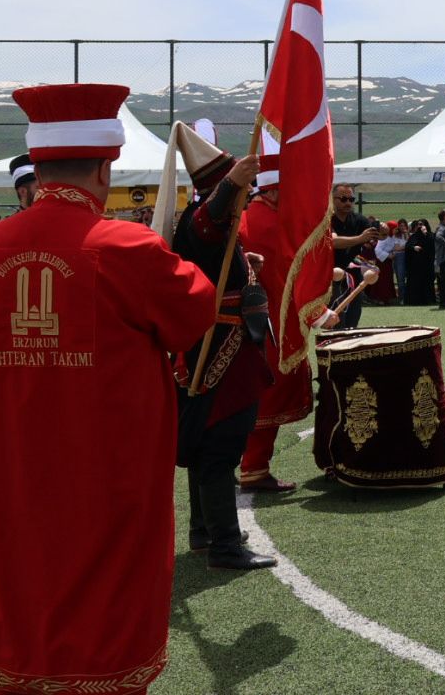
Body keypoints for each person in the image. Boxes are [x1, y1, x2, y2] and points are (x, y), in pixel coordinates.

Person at [0, 84, 218, 694]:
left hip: (14, 463)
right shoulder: (127, 248)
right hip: (108, 470)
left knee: (19, 577)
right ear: (106, 166)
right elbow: (196, 311)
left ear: (35, 167)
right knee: (110, 593)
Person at [165, 124, 276, 571]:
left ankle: (204, 529)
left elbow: (213, 257)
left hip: (225, 349)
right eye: (240, 188)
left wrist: (245, 265)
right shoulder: (202, 219)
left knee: (209, 444)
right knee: (220, 449)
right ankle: (226, 545)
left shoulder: (222, 228)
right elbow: (207, 225)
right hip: (219, 353)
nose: (248, 193)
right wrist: (231, 180)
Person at [236, 145, 312, 494]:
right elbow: (282, 277)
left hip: (257, 320)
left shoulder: (255, 214)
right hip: (267, 323)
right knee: (269, 393)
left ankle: (253, 464)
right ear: (275, 189)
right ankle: (253, 467)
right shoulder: (265, 222)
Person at [327, 184, 380, 328]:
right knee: (337, 320)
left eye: (351, 199)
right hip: (332, 275)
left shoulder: (359, 220)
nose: (348, 203)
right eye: (343, 199)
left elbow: (374, 237)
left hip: (354, 275)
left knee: (353, 318)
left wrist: (375, 236)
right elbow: (334, 242)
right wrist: (361, 238)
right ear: (333, 199)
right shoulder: (327, 220)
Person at [404, 218, 437, 305]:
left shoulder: (430, 235)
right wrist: (413, 247)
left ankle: (429, 300)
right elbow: (407, 247)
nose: (420, 226)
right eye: (418, 224)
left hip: (427, 265)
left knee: (427, 283)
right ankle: (415, 301)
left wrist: (425, 233)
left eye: (422, 224)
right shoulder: (414, 236)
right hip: (415, 266)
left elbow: (432, 245)